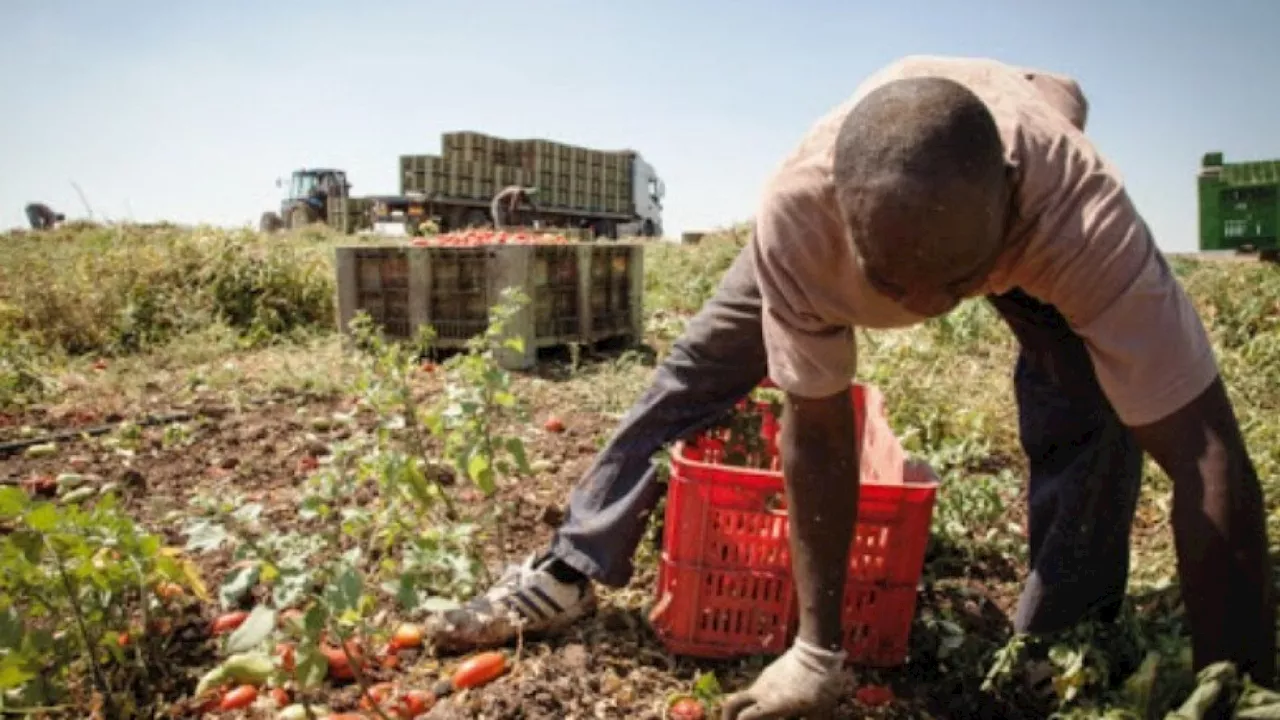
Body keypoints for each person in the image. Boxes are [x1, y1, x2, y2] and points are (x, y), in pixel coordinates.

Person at [424, 55, 1275, 718]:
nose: (931, 312)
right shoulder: (801, 209)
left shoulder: (1079, 215)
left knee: (1086, 410)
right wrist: (817, 653)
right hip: (887, 195)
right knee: (699, 368)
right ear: (843, 217)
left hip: (1023, 195)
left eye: (957, 281)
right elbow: (819, 426)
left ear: (1012, 205)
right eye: (893, 286)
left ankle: (1062, 634)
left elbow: (1208, 456)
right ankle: (577, 559)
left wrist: (1232, 684)